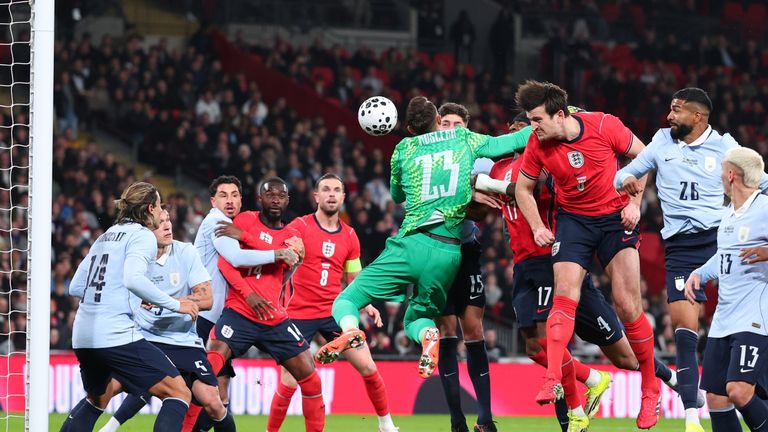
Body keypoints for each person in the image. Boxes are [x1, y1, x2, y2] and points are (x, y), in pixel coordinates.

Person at [487, 112, 697, 431]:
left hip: (554, 258)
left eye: (531, 126)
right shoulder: (499, 167)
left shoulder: (544, 159)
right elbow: (483, 197)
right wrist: (477, 186)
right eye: (522, 127)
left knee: (617, 352)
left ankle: (584, 408)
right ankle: (591, 381)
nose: (530, 132)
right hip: (524, 263)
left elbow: (541, 184)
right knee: (535, 347)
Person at [315, 96, 531, 380]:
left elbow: (396, 196)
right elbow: (513, 142)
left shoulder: (403, 148)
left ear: (409, 127)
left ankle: (352, 331)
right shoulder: (463, 138)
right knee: (415, 318)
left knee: (346, 301)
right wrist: (565, 117)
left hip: (411, 243)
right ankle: (430, 335)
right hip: (449, 254)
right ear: (439, 122)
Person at [615, 88, 768, 432]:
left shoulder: (727, 147)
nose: (669, 117)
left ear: (697, 116)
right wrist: (626, 180)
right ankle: (690, 414)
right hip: (682, 247)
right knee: (685, 328)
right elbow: (624, 173)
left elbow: (762, 184)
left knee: (748, 319)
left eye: (676, 110)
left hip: (722, 237)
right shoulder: (660, 142)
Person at [513, 80, 660, 429]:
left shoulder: (604, 125)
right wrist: (536, 225)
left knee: (627, 305)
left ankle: (650, 388)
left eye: (537, 120)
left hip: (613, 218)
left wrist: (634, 203)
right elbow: (523, 187)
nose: (533, 129)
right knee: (565, 294)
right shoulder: (538, 143)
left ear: (560, 115)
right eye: (530, 121)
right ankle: (552, 376)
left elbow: (645, 156)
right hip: (574, 222)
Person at [60, 182, 199, 432]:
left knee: (97, 400)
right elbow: (133, 279)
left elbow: (76, 287)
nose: (160, 213)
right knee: (178, 392)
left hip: (83, 335)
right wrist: (176, 304)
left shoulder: (105, 236)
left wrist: (126, 295)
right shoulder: (142, 235)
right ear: (149, 208)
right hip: (114, 333)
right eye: (158, 206)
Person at [264, 173, 398, 432]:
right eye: (326, 189)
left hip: (334, 311)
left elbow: (354, 278)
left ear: (344, 197)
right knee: (290, 380)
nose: (332, 194)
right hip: (297, 314)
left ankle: (386, 425)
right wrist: (291, 248)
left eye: (337, 190)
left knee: (369, 366)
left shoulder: (350, 236)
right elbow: (284, 245)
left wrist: (366, 303)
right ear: (316, 196)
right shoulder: (300, 226)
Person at [189, 178, 323, 431]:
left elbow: (284, 268)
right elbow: (227, 262)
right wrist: (249, 294)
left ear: (287, 201)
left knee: (312, 381)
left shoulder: (293, 235)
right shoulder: (239, 220)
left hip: (274, 317)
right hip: (237, 310)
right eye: (269, 194)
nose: (275, 199)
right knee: (206, 378)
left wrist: (290, 264)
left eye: (280, 195)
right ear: (259, 199)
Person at [99, 209, 235, 432]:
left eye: (168, 220)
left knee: (213, 401)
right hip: (148, 339)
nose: (167, 226)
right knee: (109, 388)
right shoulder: (136, 261)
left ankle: (111, 425)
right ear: (145, 232)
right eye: (159, 223)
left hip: (184, 342)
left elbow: (207, 299)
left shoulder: (186, 252)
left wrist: (169, 301)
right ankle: (105, 424)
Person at [685, 147, 768, 432]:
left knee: (739, 390)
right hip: (724, 319)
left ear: (731, 175)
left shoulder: (764, 207)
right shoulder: (729, 216)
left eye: (722, 170)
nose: (719, 176)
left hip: (754, 318)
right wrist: (700, 273)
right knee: (717, 398)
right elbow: (724, 256)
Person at [433, 102, 497, 432]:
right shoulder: (424, 158)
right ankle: (456, 420)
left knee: (473, 330)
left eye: (458, 123)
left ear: (467, 128)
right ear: (437, 126)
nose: (452, 128)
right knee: (446, 331)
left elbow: (489, 201)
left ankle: (485, 418)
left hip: (467, 249)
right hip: (433, 253)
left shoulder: (482, 158)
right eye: (446, 123)